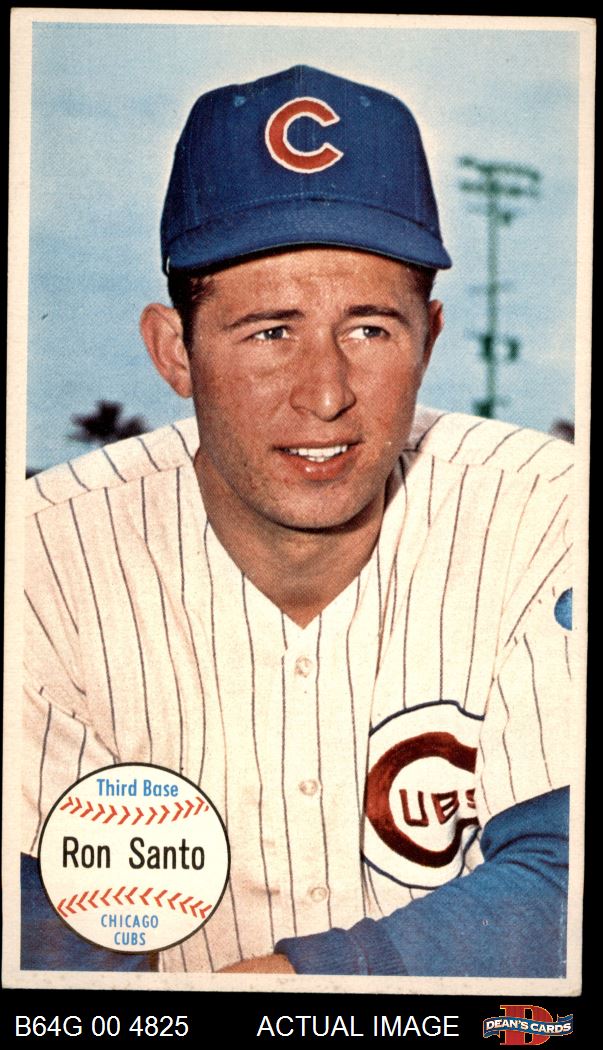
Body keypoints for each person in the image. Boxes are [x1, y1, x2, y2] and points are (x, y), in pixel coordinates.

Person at [21, 65, 572, 977]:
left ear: (429, 340)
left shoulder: (549, 511)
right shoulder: (40, 558)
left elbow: (565, 880)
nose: (324, 395)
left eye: (369, 330)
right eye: (270, 331)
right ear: (174, 351)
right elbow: (35, 951)